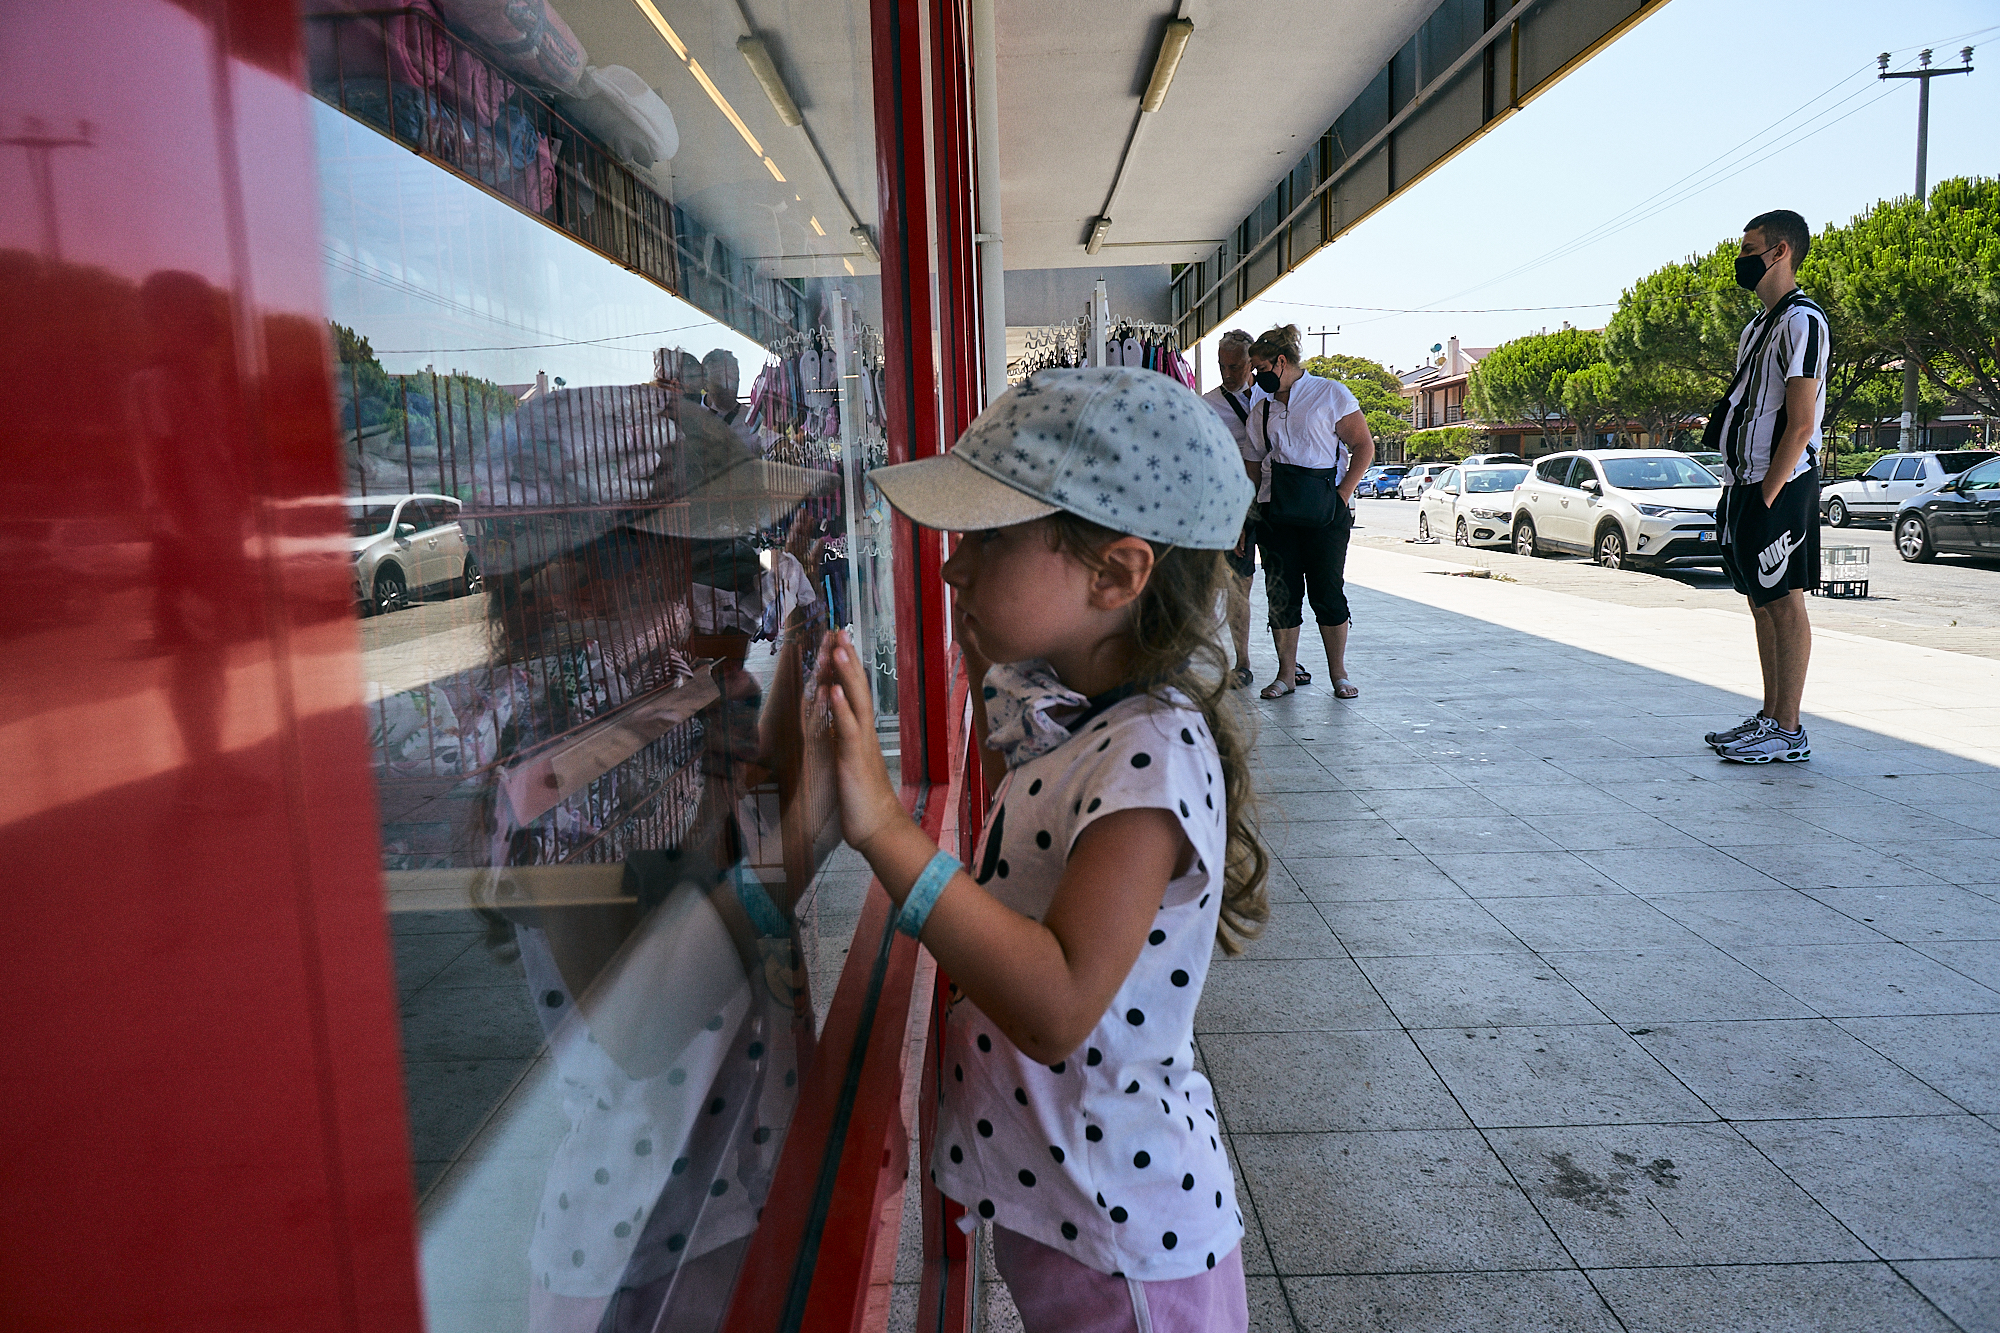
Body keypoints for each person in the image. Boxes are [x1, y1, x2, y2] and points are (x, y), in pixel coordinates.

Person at [816, 366, 1268, 1333]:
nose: (951, 568)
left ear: (1115, 573)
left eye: (988, 538)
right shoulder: (1074, 710)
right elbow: (1009, 721)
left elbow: (1060, 1005)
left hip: (1130, 1253)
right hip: (1076, 1218)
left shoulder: (1148, 751)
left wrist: (882, 830)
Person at [1704, 209, 1830, 763]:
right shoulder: (1758, 327)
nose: (1742, 258)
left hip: (1780, 484)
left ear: (1780, 252)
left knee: (1784, 601)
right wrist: (1738, 489)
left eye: (1750, 248)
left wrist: (1768, 494)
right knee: (1760, 601)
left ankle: (1790, 728)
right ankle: (1770, 716)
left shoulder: (1804, 321)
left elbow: (1800, 423)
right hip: (1744, 482)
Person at [1244, 324, 1374, 700]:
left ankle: (1339, 674)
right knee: (1281, 593)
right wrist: (1247, 517)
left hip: (1325, 512)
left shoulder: (1330, 394)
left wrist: (1342, 496)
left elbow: (1363, 446)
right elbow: (1254, 467)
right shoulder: (1261, 409)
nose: (1256, 376)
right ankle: (1286, 674)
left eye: (1260, 368)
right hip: (1276, 511)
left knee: (1327, 591)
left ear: (1280, 362)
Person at [1201, 329, 1307, 691]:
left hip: (1276, 502)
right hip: (1234, 505)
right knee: (1238, 585)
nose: (1226, 373)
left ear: (1252, 363)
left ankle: (1288, 664)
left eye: (1235, 366)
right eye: (1221, 365)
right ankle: (1242, 662)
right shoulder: (1208, 405)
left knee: (1283, 585)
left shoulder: (1277, 397)